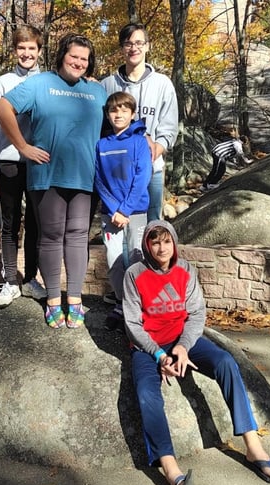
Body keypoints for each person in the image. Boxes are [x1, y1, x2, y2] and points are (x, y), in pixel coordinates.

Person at [123, 220, 270, 485]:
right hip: (148, 347)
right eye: (155, 242)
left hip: (183, 340)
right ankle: (172, 472)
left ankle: (253, 446)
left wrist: (183, 348)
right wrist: (160, 356)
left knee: (225, 361)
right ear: (147, 245)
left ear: (174, 242)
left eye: (166, 241)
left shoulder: (185, 270)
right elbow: (133, 324)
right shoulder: (134, 274)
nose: (161, 248)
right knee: (147, 394)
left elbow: (197, 314)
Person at [0, 33, 107, 329]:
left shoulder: (96, 92)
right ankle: (53, 300)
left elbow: (117, 122)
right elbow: (2, 108)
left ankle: (75, 299)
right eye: (74, 57)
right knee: (51, 236)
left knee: (79, 236)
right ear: (62, 56)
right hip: (47, 175)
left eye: (84, 59)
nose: (79, 63)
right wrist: (22, 146)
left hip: (85, 176)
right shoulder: (40, 83)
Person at [0, 25, 47, 309]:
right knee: (10, 224)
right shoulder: (2, 82)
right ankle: (10, 281)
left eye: (32, 48)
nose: (26, 53)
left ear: (39, 52)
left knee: (36, 222)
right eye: (21, 48)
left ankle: (31, 278)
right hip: (8, 161)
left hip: (38, 163)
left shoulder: (49, 82)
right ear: (14, 51)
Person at [101, 23, 179, 223]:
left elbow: (169, 128)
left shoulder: (162, 84)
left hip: (152, 169)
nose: (133, 48)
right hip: (116, 171)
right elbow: (101, 128)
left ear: (147, 46)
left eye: (138, 43)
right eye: (128, 44)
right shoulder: (107, 85)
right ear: (122, 48)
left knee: (151, 223)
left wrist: (154, 151)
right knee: (118, 221)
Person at [94, 91, 152, 332]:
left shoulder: (139, 141)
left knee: (137, 257)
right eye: (113, 110)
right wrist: (114, 210)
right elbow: (98, 179)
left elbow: (143, 176)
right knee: (114, 259)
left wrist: (126, 209)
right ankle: (120, 302)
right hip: (111, 214)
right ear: (107, 115)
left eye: (123, 110)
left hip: (136, 210)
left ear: (132, 114)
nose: (118, 114)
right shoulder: (101, 144)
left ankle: (137, 304)